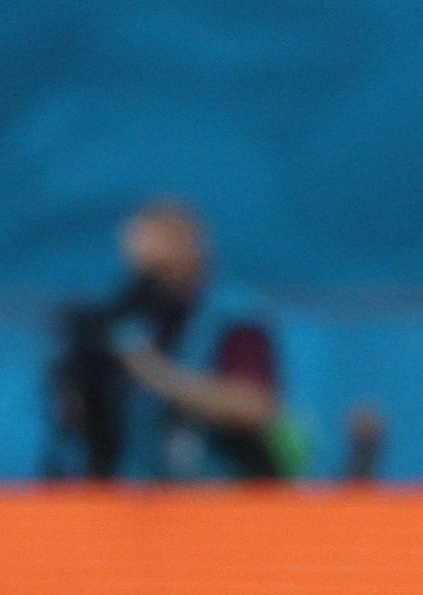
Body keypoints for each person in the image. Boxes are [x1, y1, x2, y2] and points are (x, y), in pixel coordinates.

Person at [40, 199, 292, 482]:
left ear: (191, 251)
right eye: (141, 268)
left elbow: (255, 406)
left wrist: (157, 373)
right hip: (137, 495)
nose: (149, 279)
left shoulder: (235, 316)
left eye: (160, 268)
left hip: (219, 491)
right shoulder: (132, 314)